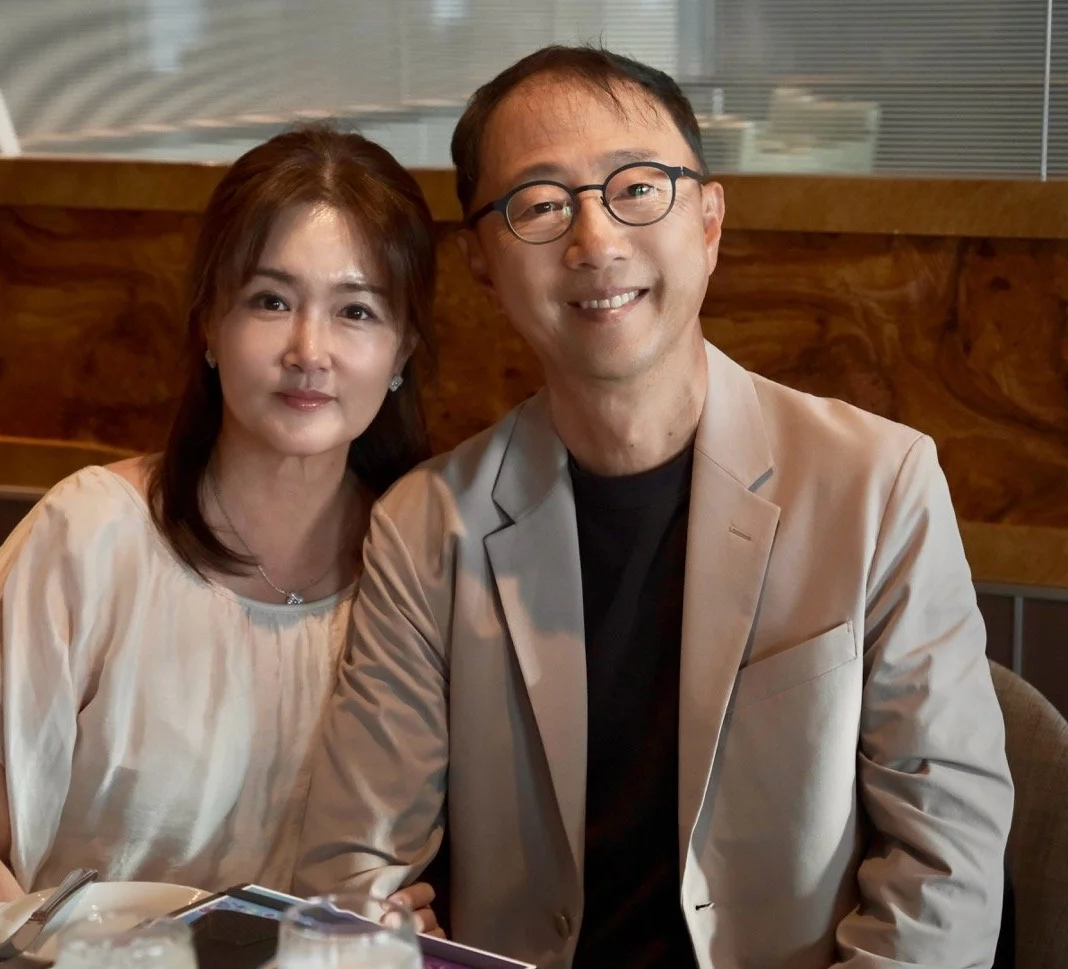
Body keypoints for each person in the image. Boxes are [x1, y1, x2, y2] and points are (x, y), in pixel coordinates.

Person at [295, 47, 1013, 969]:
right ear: (480, 259)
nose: (595, 242)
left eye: (639, 187)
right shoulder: (427, 524)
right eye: (542, 204)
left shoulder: (880, 486)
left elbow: (944, 866)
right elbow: (352, 872)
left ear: (709, 220)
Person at [0, 125, 440, 930]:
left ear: (402, 347)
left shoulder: (420, 572)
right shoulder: (92, 536)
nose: (310, 349)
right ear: (208, 325)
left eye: (356, 310)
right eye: (270, 300)